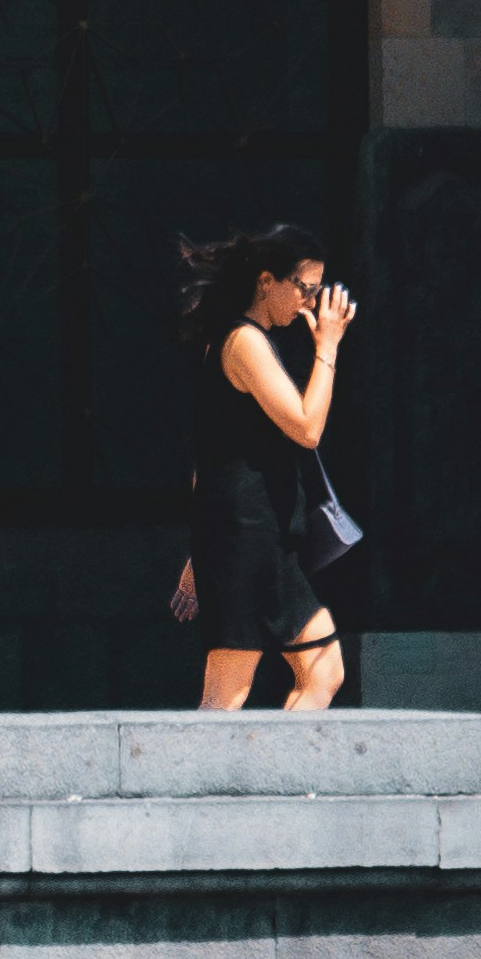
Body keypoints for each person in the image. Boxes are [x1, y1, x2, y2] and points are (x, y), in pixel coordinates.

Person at [174, 223, 360, 711]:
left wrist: (199, 554)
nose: (309, 304)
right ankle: (193, 783)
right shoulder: (243, 341)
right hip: (244, 538)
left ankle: (279, 777)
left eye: (317, 292)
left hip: (263, 538)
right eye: (305, 289)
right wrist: (329, 347)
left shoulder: (248, 339)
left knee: (325, 671)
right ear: (265, 281)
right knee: (225, 693)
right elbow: (307, 428)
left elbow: (210, 459)